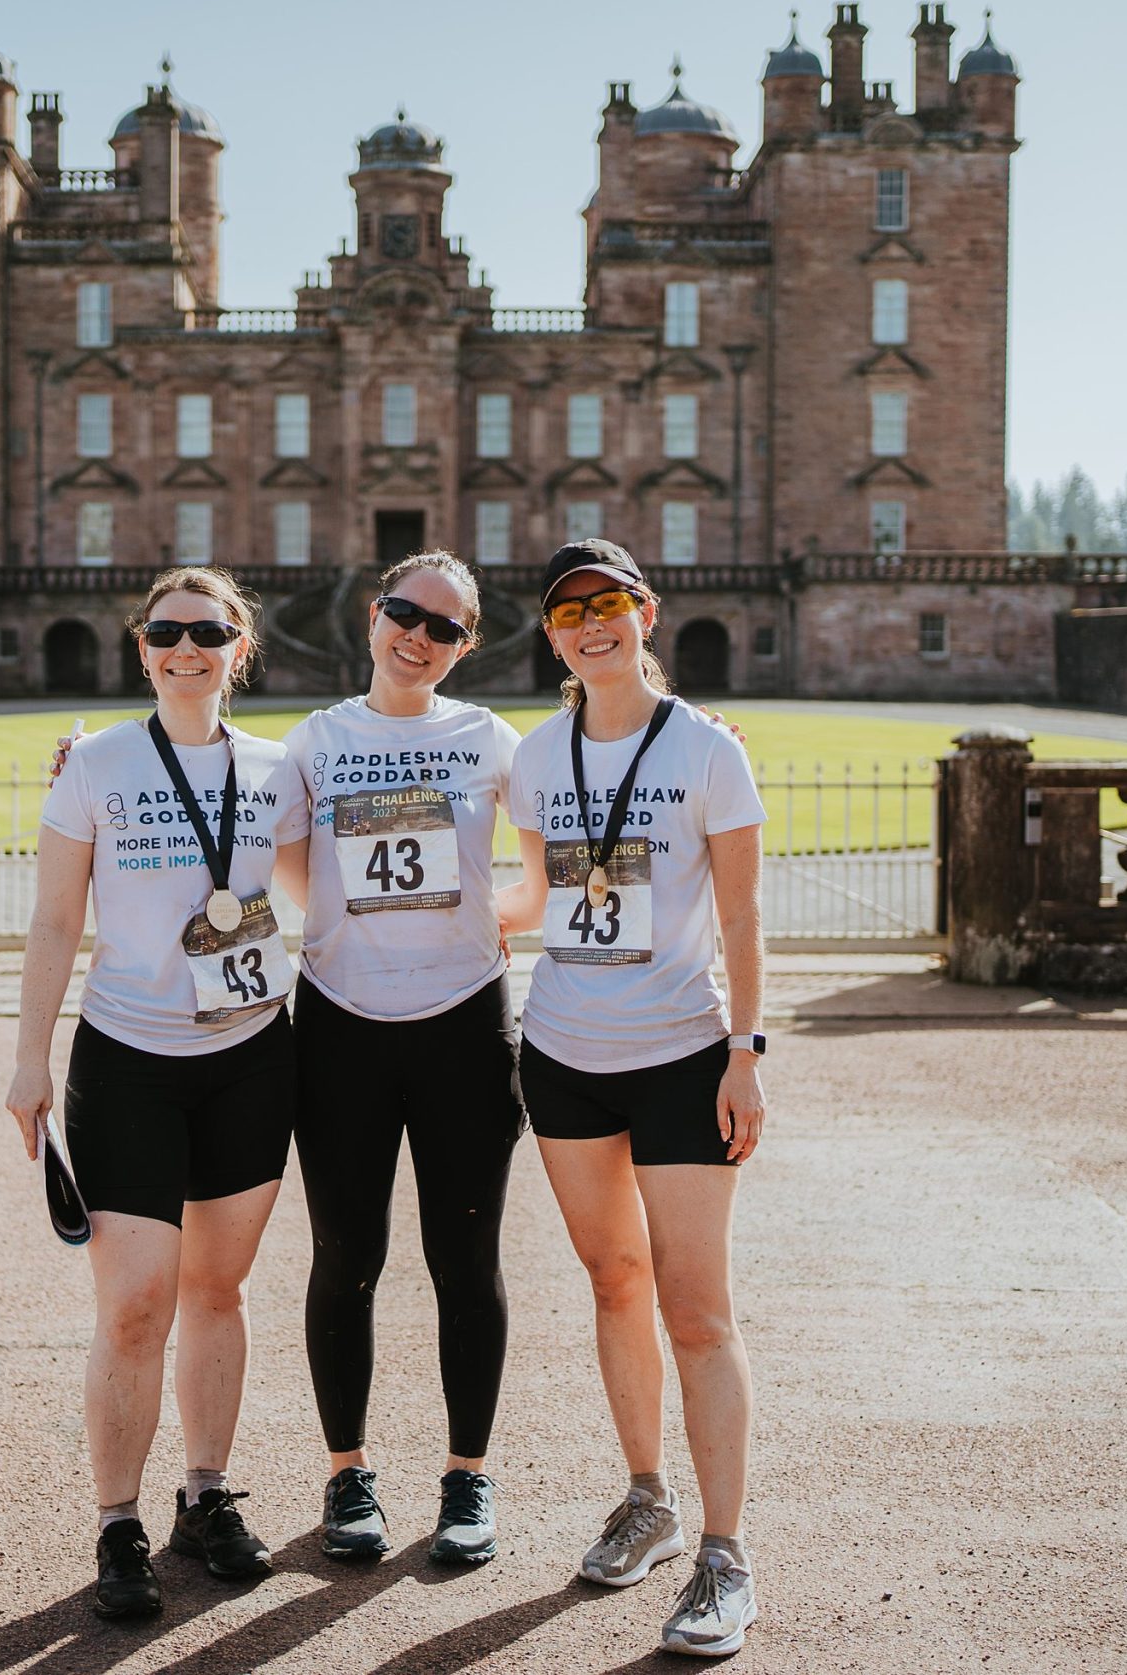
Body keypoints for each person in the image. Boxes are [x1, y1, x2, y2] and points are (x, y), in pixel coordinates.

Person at [54, 552, 526, 1567]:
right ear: (373, 615)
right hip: (341, 1022)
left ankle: (466, 1477)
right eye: (404, 613)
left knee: (464, 1258)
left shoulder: (493, 739)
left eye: (444, 626)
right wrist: (89, 758)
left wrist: (489, 919)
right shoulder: (309, 745)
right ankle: (347, 1473)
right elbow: (291, 871)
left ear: (466, 644)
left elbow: (575, 826)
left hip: (463, 1023)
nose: (418, 635)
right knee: (345, 1256)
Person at [4, 566, 308, 1620]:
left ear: (239, 649)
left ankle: (205, 1495)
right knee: (135, 1303)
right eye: (166, 632)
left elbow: (326, 891)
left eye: (208, 633)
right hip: (128, 1057)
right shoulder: (94, 764)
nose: (187, 649)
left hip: (250, 1056)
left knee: (219, 1292)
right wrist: (30, 1059)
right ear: (141, 648)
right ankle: (117, 1521)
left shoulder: (278, 768)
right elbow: (55, 920)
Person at [495, 538, 769, 1659]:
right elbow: (537, 895)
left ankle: (725, 1555)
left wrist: (746, 1053)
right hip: (562, 1050)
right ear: (552, 638)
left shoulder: (707, 749)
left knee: (696, 1308)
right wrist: (430, 910)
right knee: (613, 1281)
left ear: (645, 614)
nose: (589, 625)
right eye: (568, 614)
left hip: (679, 1055)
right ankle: (647, 1500)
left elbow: (742, 916)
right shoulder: (535, 755)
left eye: (606, 603)